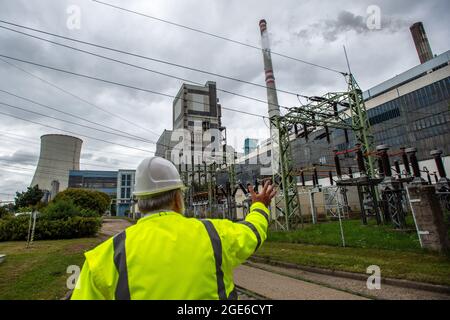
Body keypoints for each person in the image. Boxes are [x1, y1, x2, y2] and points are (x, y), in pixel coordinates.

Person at [71, 156, 276, 300]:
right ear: (178, 198)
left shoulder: (102, 259)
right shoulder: (214, 233)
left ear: (139, 202)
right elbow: (252, 232)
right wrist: (259, 205)